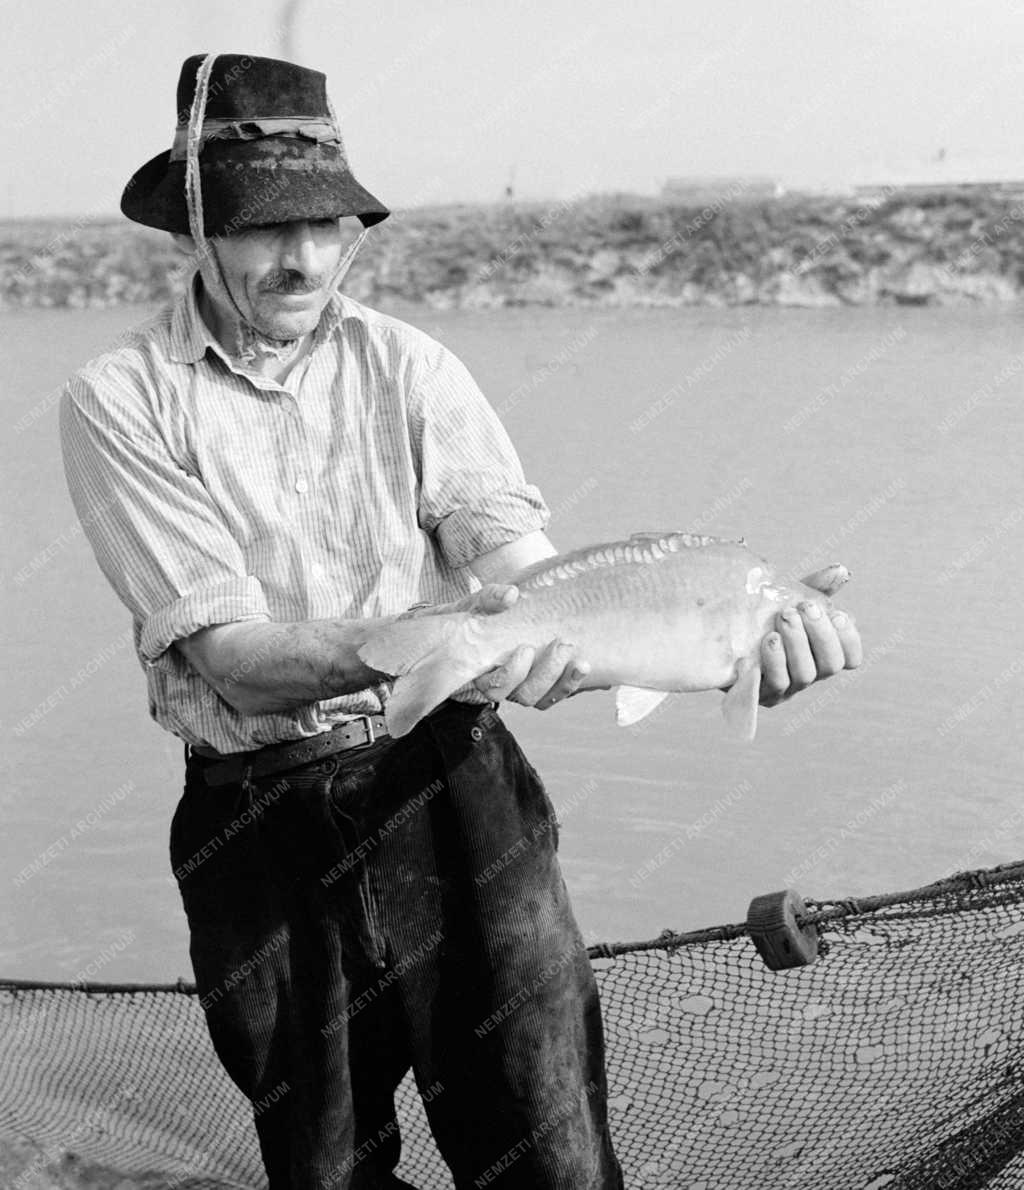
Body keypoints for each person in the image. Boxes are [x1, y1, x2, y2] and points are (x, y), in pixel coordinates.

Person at [60, 53, 861, 1190]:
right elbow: (234, 662)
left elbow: (530, 577)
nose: (298, 257)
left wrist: (723, 650)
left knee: (552, 1154)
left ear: (354, 233)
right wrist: (433, 643)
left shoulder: (413, 366)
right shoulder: (118, 396)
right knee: (328, 1165)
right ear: (194, 230)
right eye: (258, 227)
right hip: (258, 820)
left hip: (456, 783)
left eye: (324, 226)